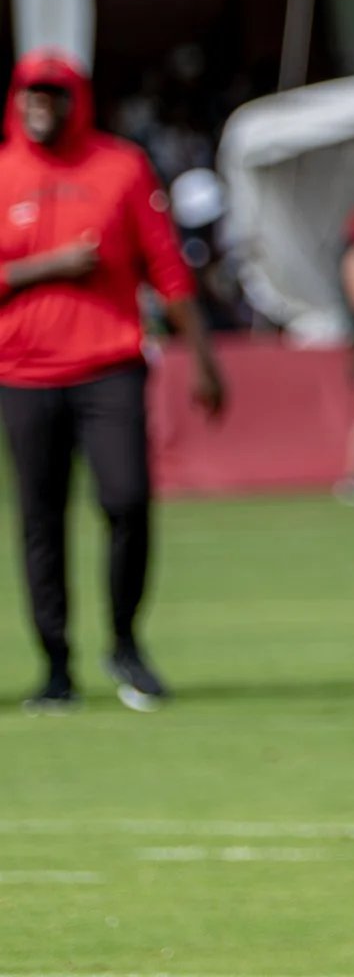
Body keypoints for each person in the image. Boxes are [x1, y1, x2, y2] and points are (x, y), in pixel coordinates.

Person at [0, 48, 224, 712]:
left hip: (109, 364)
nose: (41, 107)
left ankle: (124, 641)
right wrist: (48, 267)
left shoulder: (120, 166)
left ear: (76, 101)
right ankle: (55, 664)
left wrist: (204, 358)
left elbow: (168, 267)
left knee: (126, 500)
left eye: (53, 96)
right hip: (23, 370)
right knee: (40, 519)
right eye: (30, 96)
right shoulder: (4, 171)